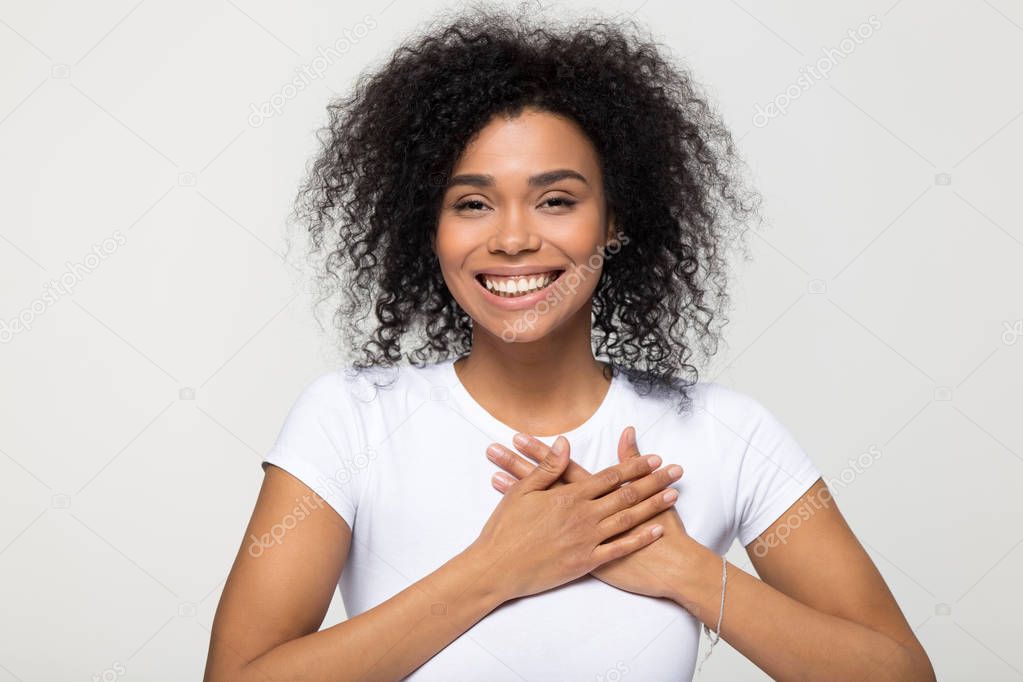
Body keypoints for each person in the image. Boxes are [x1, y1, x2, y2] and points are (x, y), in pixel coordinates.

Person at [204, 6, 935, 681]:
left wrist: (685, 572)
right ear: (428, 228)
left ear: (614, 220)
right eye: (471, 203)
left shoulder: (723, 434)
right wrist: (497, 567)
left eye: (556, 199)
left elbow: (899, 674)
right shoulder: (349, 419)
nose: (515, 237)